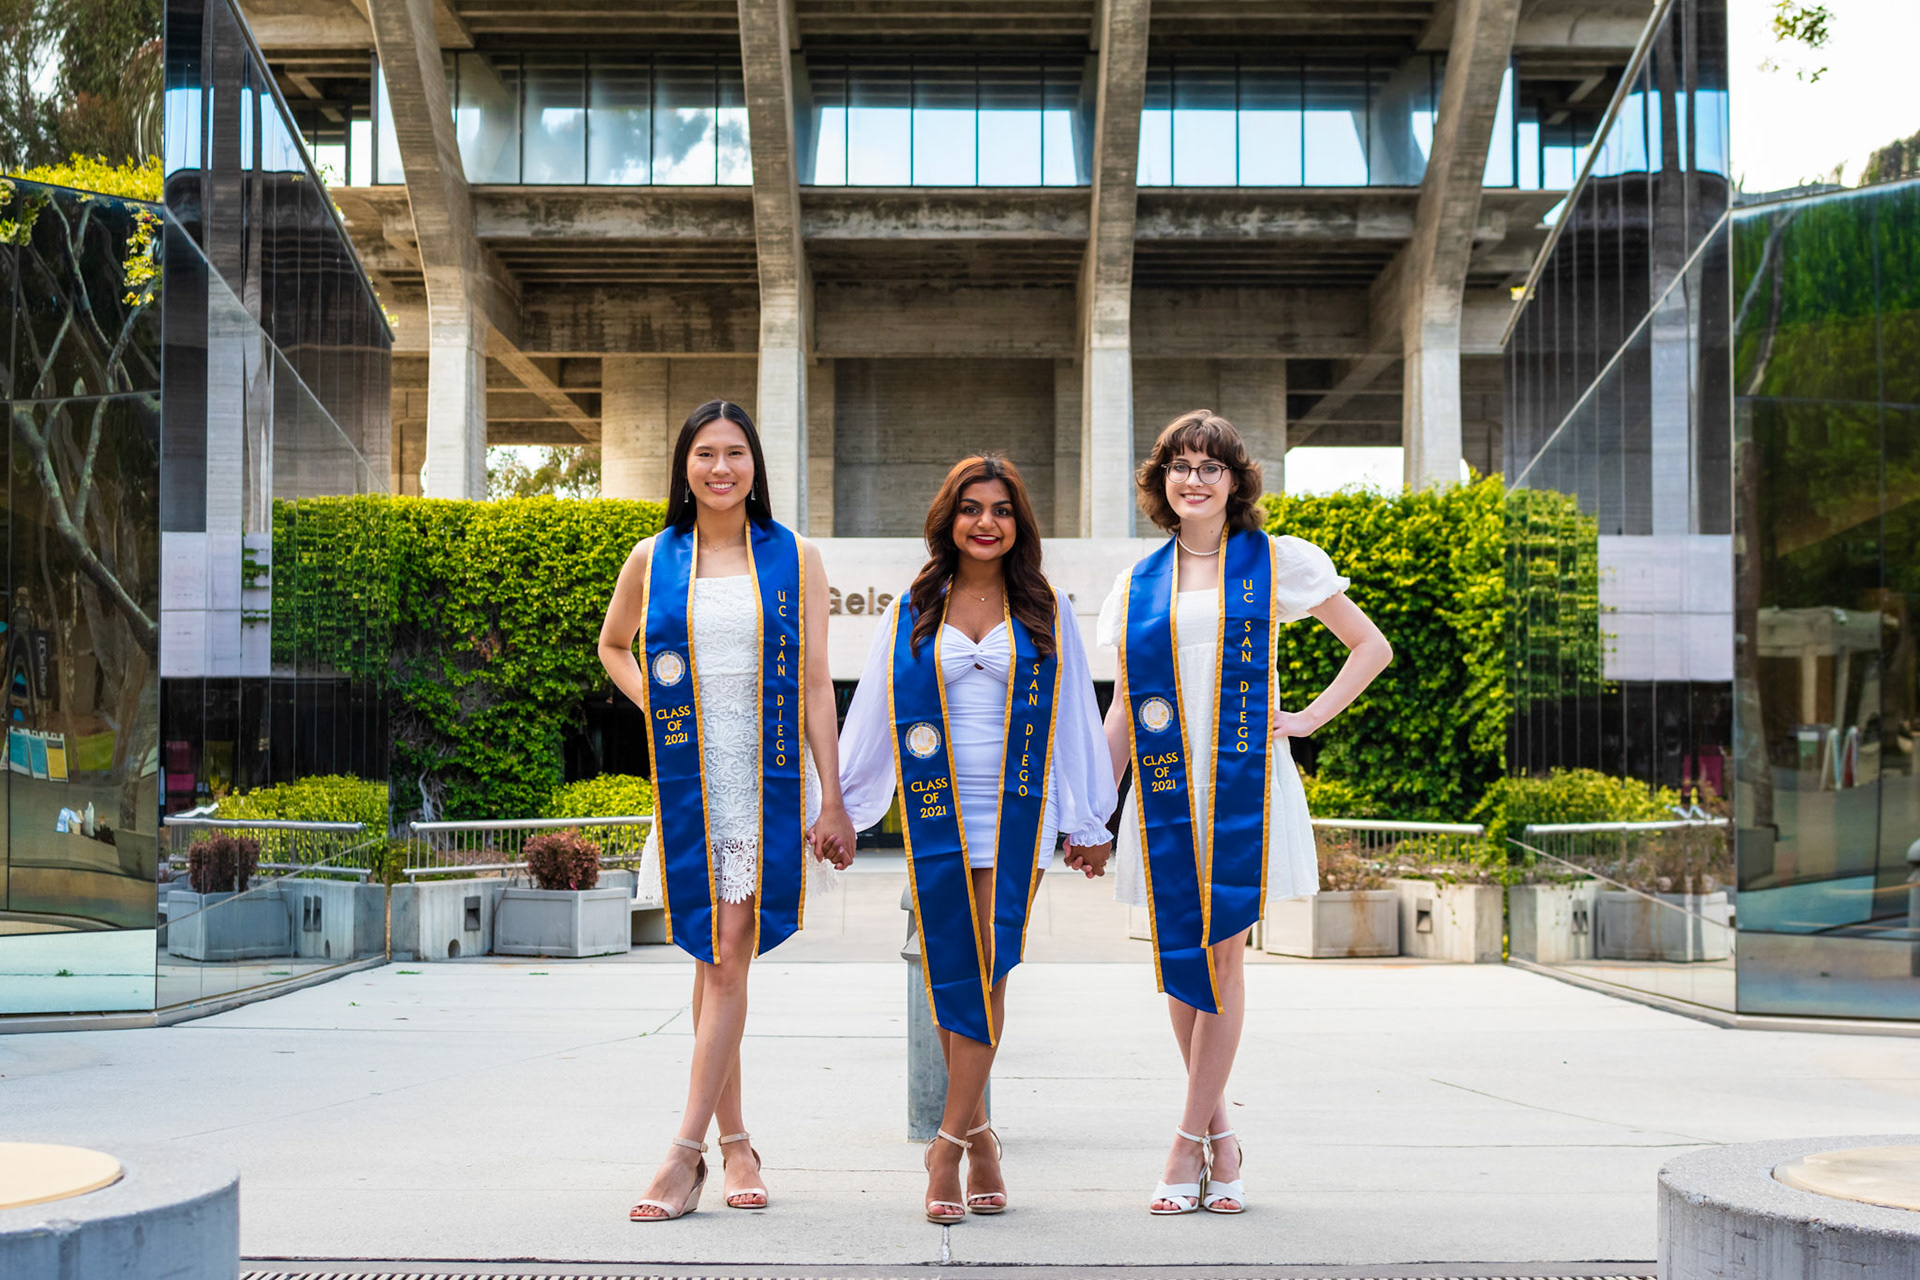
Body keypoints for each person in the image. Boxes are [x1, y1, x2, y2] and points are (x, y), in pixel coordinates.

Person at [1098, 410, 1392, 1217]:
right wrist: (1090, 809)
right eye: (1180, 466)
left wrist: (1306, 718)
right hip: (1166, 789)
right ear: (1161, 481)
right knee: (1179, 963)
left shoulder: (1277, 561)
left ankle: (1182, 1144)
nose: (1194, 479)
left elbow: (1370, 647)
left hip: (1244, 789)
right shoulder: (1138, 583)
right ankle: (1220, 1138)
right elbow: (1122, 708)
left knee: (1223, 955)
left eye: (1210, 466)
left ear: (1235, 481)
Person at [834, 454, 1117, 1223]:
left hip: (1018, 809)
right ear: (948, 519)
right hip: (938, 808)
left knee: (992, 967)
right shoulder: (914, 607)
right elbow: (874, 709)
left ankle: (945, 1147)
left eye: (1001, 509)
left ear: (1019, 522)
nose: (986, 522)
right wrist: (844, 806)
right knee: (951, 970)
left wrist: (1089, 818)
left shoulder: (1045, 607)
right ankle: (979, 1136)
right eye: (971, 508)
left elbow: (1075, 718)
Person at [597, 399, 858, 1222]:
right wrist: (657, 705)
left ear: (755, 465)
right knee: (713, 962)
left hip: (766, 782)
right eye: (705, 453)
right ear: (684, 465)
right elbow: (613, 645)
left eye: (735, 452)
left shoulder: (796, 557)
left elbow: (816, 684)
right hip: (691, 783)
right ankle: (737, 1141)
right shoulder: (653, 557)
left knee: (729, 959)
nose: (720, 467)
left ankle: (683, 1155)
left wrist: (834, 797)